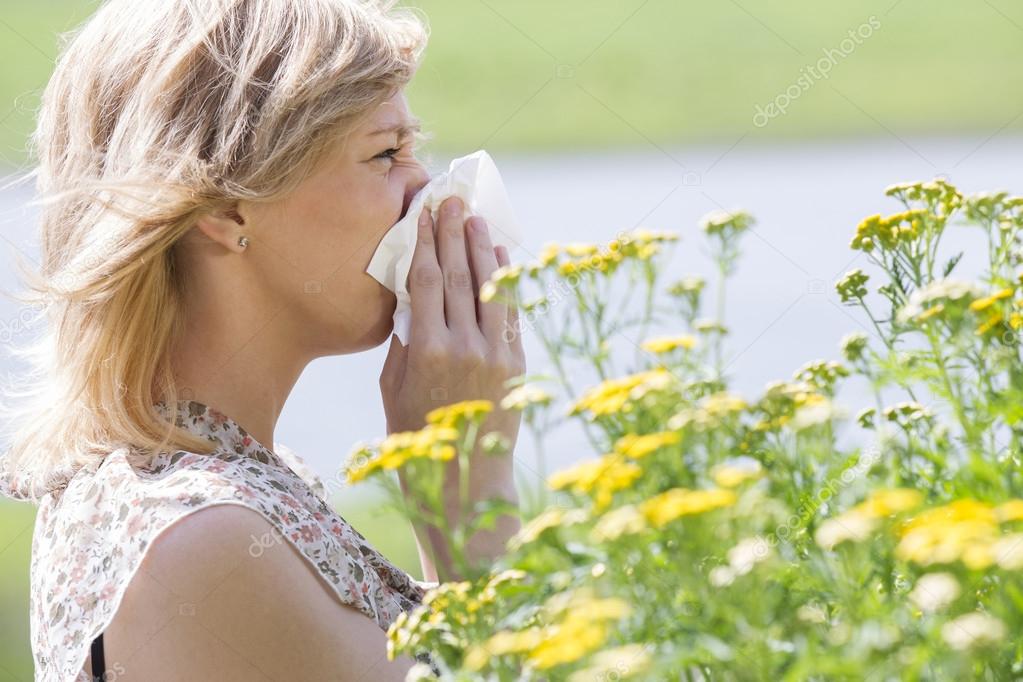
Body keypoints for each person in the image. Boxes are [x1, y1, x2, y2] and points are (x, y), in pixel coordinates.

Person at [0, 0, 526, 679]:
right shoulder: (204, 538)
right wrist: (467, 490)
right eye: (385, 152)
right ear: (224, 206)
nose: (422, 184)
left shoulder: (222, 490)